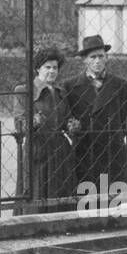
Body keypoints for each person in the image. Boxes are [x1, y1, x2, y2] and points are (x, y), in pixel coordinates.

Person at [65, 34, 127, 201]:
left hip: (112, 149)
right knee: (87, 200)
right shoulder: (70, 86)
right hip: (85, 149)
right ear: (84, 60)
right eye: (92, 57)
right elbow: (67, 116)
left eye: (101, 56)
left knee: (116, 199)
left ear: (107, 58)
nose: (97, 61)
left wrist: (116, 134)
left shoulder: (119, 84)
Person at [15, 46, 78, 211]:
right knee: (36, 195)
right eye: (47, 67)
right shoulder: (24, 91)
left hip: (60, 151)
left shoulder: (60, 92)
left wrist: (72, 124)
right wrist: (32, 122)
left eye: (55, 67)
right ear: (37, 68)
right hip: (37, 150)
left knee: (60, 197)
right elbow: (19, 123)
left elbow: (66, 118)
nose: (52, 71)